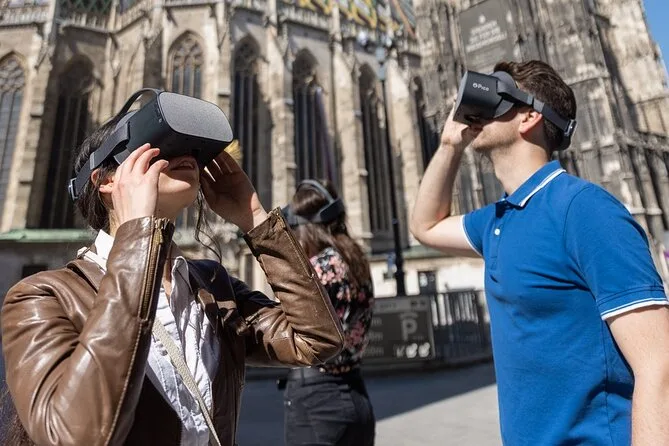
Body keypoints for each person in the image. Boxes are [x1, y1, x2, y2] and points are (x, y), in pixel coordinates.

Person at [1, 109, 344, 445]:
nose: (185, 155)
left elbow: (316, 340)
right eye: (158, 146)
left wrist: (255, 219)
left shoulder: (211, 284)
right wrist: (138, 233)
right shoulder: (41, 297)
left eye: (191, 149)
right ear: (106, 180)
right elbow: (77, 435)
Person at [410, 60, 669, 445]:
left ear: (530, 116)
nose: (478, 109)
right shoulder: (500, 217)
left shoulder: (586, 211)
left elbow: (658, 365)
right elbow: (425, 227)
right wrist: (449, 145)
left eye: (496, 95)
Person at [281, 179, 375, 446]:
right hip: (356, 393)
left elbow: (287, 328)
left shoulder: (317, 269)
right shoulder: (355, 261)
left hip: (317, 402)